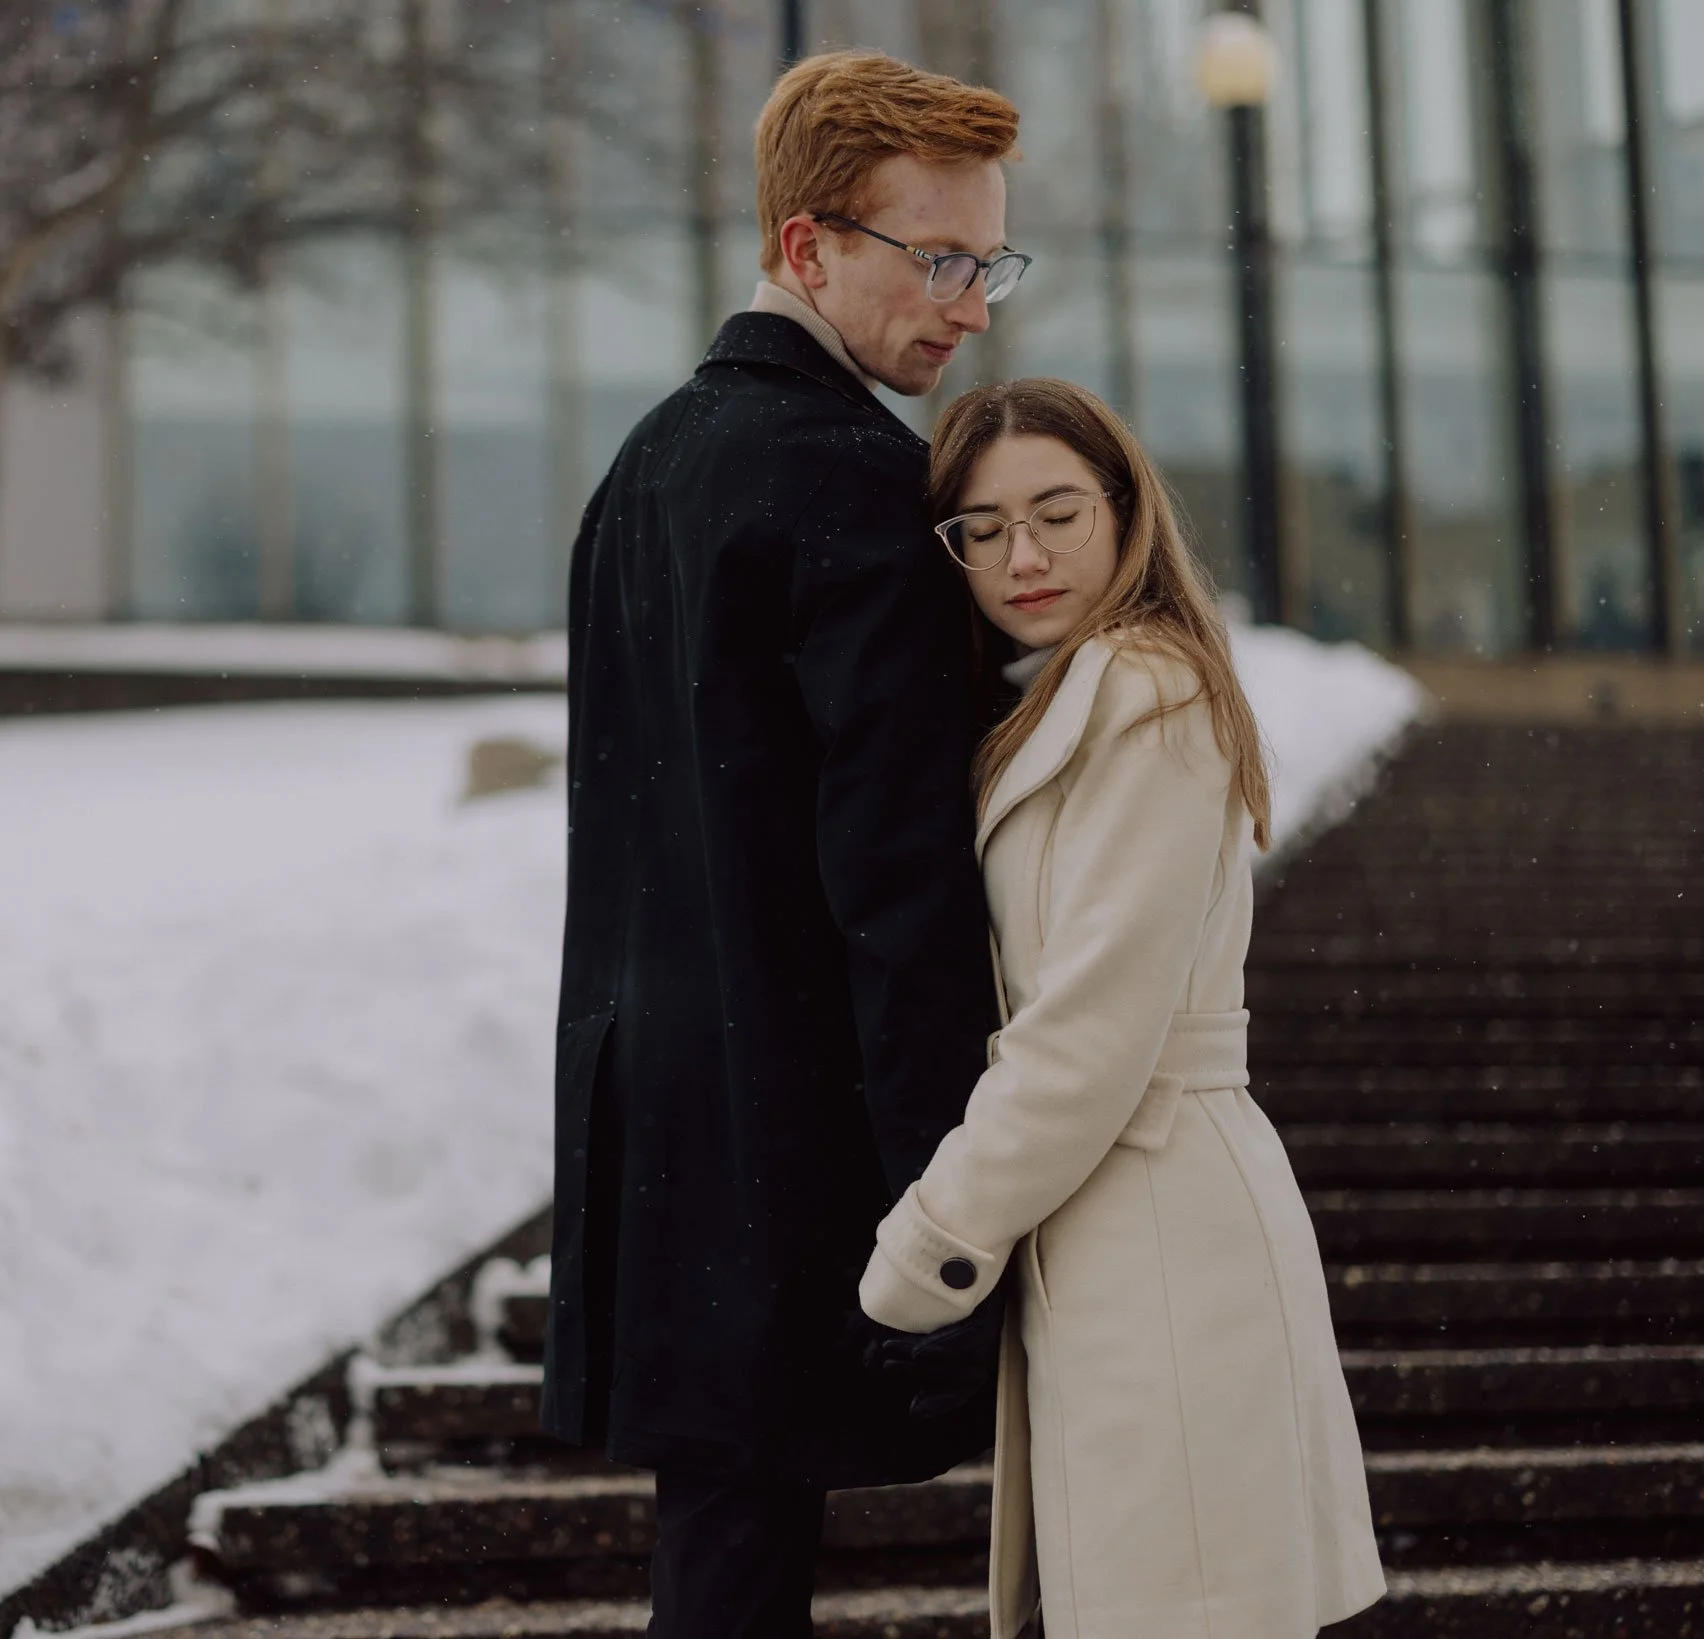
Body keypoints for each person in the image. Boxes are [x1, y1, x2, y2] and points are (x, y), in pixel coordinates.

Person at [540, 50, 1029, 1639]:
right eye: (937, 260)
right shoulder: (856, 484)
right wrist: (948, 1183)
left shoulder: (644, 469)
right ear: (808, 248)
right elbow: (898, 888)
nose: (970, 307)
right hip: (798, 1125)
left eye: (989, 262)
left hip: (659, 1114)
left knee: (723, 1551)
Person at [857, 378, 1388, 1639]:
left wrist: (925, 1243)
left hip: (1161, 1224)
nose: (1021, 555)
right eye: (980, 529)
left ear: (1124, 509)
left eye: (1055, 513)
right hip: (1112, 1220)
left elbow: (1089, 1028)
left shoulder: (1145, 696)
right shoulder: (1060, 693)